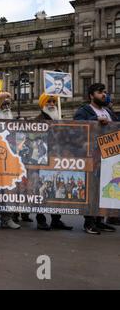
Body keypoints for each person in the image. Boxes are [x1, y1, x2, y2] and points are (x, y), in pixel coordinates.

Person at [74, 83, 117, 234]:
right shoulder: (84, 111)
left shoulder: (109, 111)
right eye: (100, 92)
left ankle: (100, 220)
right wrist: (95, 120)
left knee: (104, 190)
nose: (104, 94)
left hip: (109, 157)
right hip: (92, 156)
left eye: (105, 92)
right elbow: (77, 128)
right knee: (91, 190)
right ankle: (89, 222)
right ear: (91, 95)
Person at [35, 94, 73, 231]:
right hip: (44, 161)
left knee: (56, 189)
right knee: (42, 190)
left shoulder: (59, 118)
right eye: (49, 101)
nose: (52, 104)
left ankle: (56, 220)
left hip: (58, 159)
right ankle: (41, 220)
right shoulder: (38, 120)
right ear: (43, 104)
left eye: (54, 101)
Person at [0, 93, 21, 230]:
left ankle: (7, 218)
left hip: (10, 160)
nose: (6, 106)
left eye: (8, 104)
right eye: (3, 104)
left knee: (9, 190)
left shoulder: (11, 118)